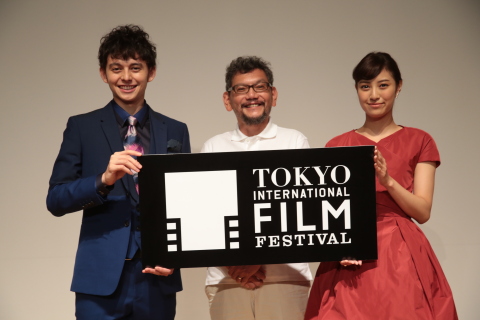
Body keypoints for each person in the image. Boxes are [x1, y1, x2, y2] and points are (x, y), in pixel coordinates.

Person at [46, 25, 190, 319]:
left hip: (157, 278)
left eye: (136, 67)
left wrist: (177, 256)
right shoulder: (82, 127)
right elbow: (56, 199)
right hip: (99, 281)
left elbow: (186, 205)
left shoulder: (175, 130)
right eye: (116, 68)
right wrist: (103, 180)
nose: (126, 77)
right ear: (103, 73)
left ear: (151, 72)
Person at [304, 52, 457, 319]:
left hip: (400, 252)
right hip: (348, 255)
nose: (374, 95)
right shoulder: (337, 145)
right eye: (365, 86)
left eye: (383, 85)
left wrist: (388, 181)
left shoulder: (419, 140)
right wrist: (338, 246)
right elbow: (327, 214)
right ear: (357, 90)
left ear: (399, 87)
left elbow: (422, 211)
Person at [202, 56, 312, 320]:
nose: (252, 95)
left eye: (260, 87)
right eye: (241, 89)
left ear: (273, 94)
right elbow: (207, 218)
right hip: (226, 279)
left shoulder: (294, 142)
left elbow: (302, 212)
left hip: (286, 279)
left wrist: (254, 261)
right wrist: (237, 266)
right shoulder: (213, 147)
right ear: (227, 100)